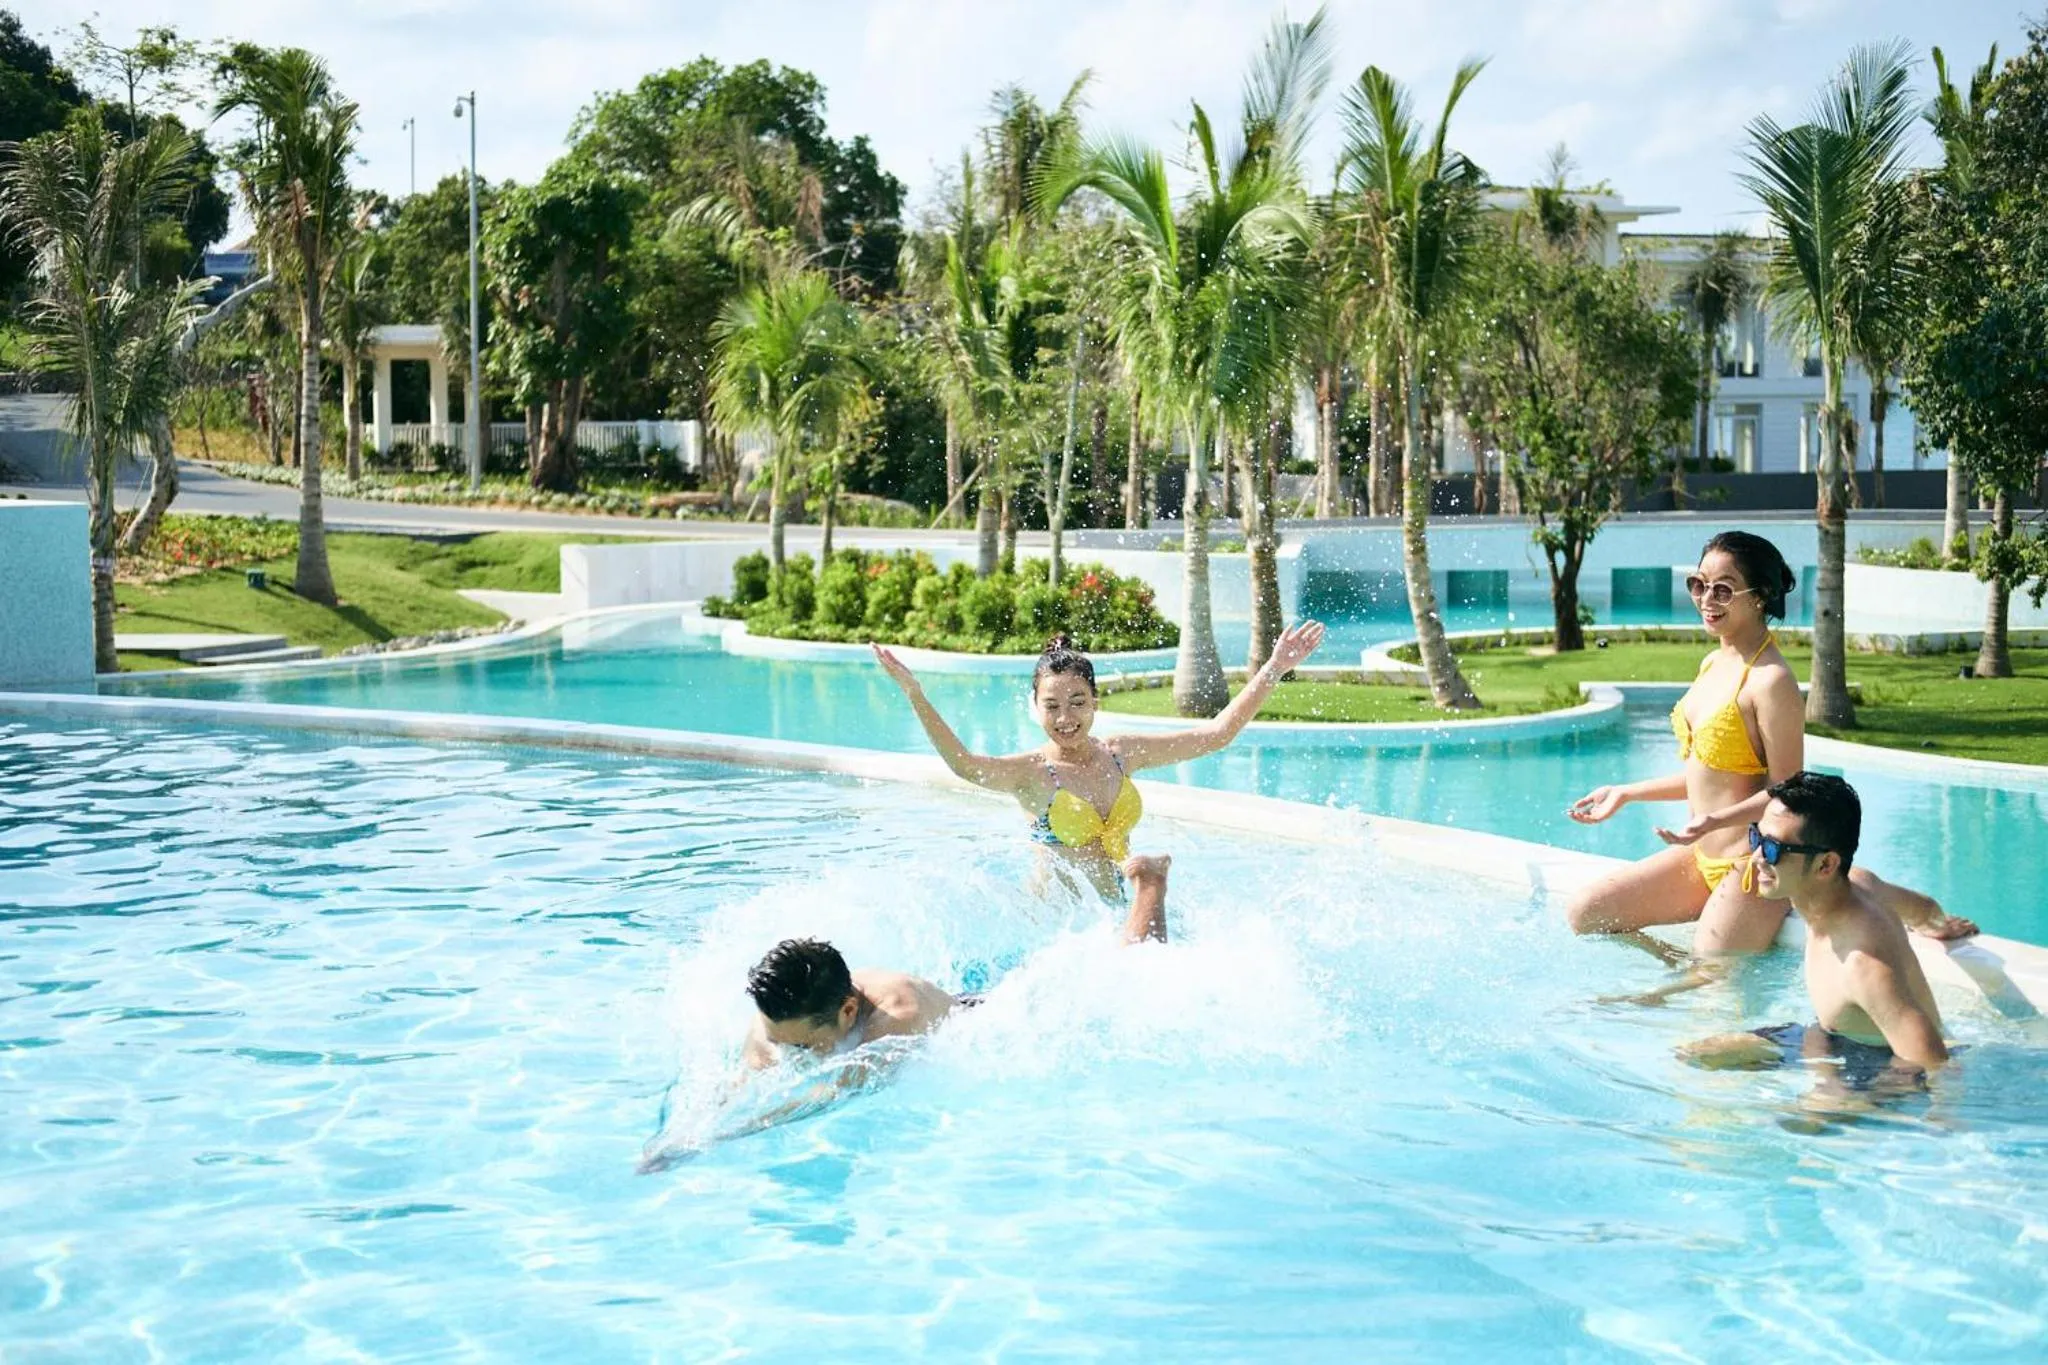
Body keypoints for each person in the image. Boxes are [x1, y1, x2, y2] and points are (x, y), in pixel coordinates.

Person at [1563, 530, 1975, 954]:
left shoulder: (1772, 681)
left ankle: (1925, 911)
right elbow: (1710, 776)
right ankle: (1675, 967)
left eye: (1723, 590)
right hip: (1701, 856)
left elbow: (1789, 794)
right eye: (1698, 584)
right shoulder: (1713, 662)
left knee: (1712, 970)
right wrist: (1628, 793)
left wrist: (1715, 821)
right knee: (1586, 913)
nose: (1706, 599)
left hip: (1756, 864)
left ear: (1759, 598)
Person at [873, 623, 1324, 941]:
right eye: (1052, 706)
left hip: (1116, 915)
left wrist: (1274, 668)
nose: (1065, 718)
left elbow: (1215, 735)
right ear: (1034, 706)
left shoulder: (1120, 754)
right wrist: (915, 693)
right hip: (1054, 934)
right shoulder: (1031, 774)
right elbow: (965, 764)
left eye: (1077, 702)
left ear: (1095, 701)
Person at [1679, 772, 1950, 1086]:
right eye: (1756, 838)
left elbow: (1934, 1065)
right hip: (1825, 1035)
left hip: (1875, 1063)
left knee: (1799, 1123)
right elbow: (1925, 910)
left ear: (1826, 865)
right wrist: (1940, 927)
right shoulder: (1860, 883)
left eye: (1774, 850)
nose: (1756, 858)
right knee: (1692, 1055)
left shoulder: (1862, 965)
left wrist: (1841, 1105)